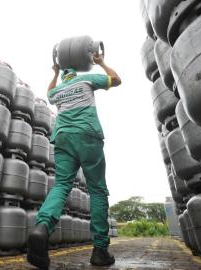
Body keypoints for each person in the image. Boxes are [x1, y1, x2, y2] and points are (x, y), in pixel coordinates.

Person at [27, 53, 122, 269]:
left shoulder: (58, 90)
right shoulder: (87, 79)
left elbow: (48, 93)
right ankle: (100, 250)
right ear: (76, 73)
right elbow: (116, 79)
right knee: (97, 190)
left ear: (63, 76)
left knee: (61, 185)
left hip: (62, 137)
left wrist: (54, 74)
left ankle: (41, 228)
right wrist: (101, 63)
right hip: (87, 135)